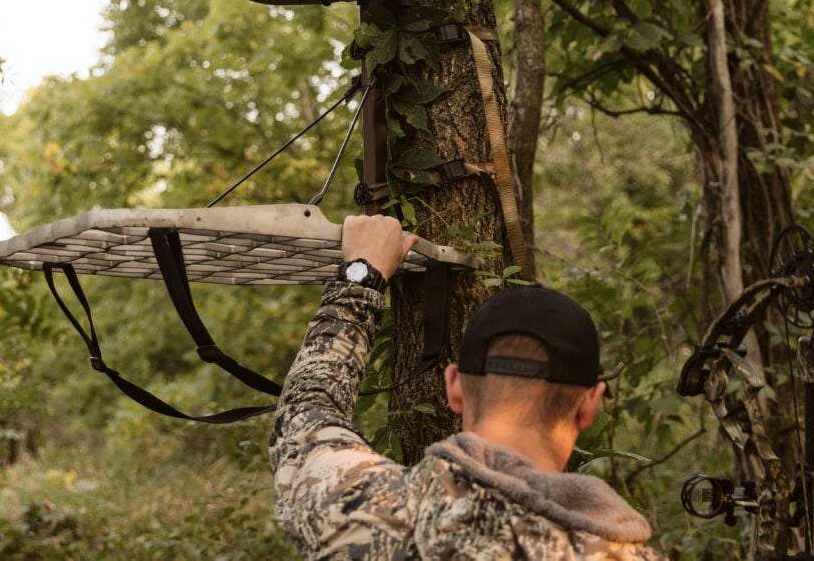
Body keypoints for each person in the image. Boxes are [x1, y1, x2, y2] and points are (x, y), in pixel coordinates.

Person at [269, 214, 662, 560]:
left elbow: (305, 414)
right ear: (589, 405)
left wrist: (361, 274)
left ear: (454, 386)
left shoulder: (364, 506)